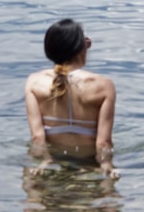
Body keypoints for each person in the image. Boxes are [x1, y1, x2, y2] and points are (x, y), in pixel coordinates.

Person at [24, 19, 119, 179]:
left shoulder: (34, 82)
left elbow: (38, 137)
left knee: (35, 200)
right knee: (107, 200)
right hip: (88, 161)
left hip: (55, 159)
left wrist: (45, 161)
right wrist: (106, 165)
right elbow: (103, 143)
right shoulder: (103, 85)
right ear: (83, 46)